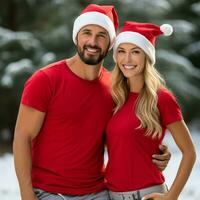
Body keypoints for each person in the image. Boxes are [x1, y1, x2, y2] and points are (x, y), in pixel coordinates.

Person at [13, 4, 171, 200]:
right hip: (49, 192)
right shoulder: (45, 80)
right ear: (76, 37)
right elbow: (22, 137)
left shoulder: (116, 88)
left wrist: (158, 149)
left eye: (102, 35)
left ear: (110, 44)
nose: (93, 42)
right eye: (87, 33)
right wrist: (26, 194)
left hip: (99, 192)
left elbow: (126, 131)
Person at [105, 21, 196, 200]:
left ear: (147, 57)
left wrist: (171, 196)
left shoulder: (162, 98)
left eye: (135, 52)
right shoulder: (114, 98)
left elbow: (190, 152)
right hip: (110, 195)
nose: (127, 59)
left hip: (147, 195)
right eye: (121, 51)